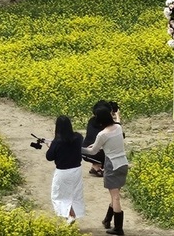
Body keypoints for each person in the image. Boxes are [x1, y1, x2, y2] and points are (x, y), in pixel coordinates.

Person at [81, 104, 128, 235]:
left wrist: (77, 148)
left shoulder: (102, 134)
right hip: (123, 164)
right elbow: (114, 133)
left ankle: (118, 228)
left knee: (115, 197)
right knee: (114, 195)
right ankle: (107, 220)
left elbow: (92, 151)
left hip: (111, 165)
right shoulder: (118, 127)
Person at [45, 115, 85, 225]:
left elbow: (49, 157)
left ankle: (69, 215)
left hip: (63, 172)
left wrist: (50, 146)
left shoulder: (57, 141)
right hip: (76, 170)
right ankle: (72, 214)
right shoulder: (78, 137)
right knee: (74, 194)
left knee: (58, 195)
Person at [81, 100, 115, 178]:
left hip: (85, 152)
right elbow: (118, 136)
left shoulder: (92, 120)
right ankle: (97, 167)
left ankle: (95, 166)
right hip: (96, 152)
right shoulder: (107, 125)